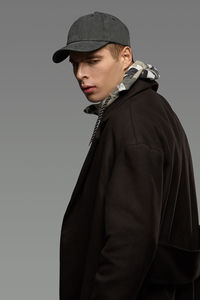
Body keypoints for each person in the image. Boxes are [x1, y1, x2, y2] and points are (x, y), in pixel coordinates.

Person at [52, 11, 200, 300]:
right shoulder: (150, 107)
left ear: (125, 57)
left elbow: (132, 240)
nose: (81, 73)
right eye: (76, 64)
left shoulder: (132, 123)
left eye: (93, 60)